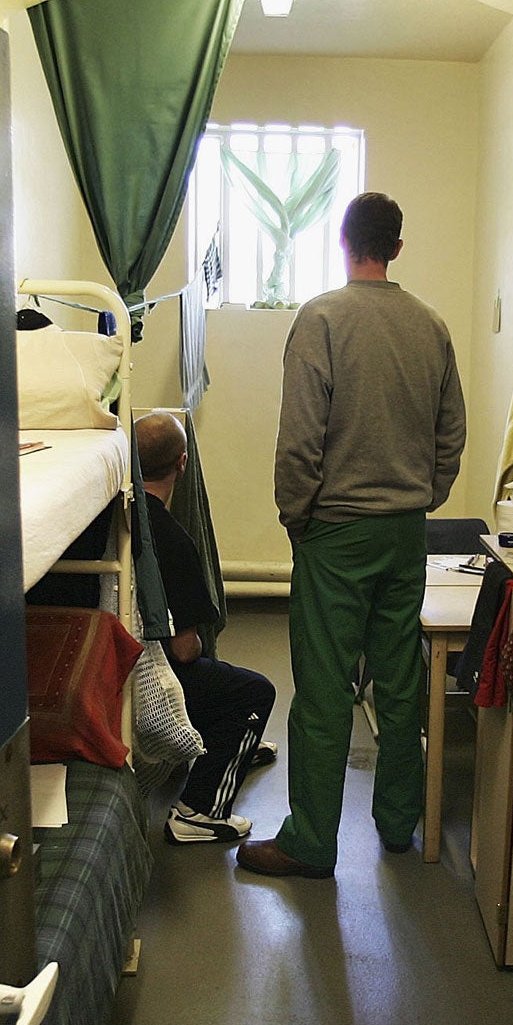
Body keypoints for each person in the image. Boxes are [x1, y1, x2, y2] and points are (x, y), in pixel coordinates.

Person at [238, 193, 465, 879]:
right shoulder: (431, 327)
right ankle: (399, 823)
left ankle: (311, 841)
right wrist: (424, 497)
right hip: (404, 533)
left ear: (344, 243)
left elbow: (299, 437)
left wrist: (296, 516)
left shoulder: (322, 319)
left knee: (325, 689)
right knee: (400, 682)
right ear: (396, 248)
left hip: (334, 533)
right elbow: (451, 433)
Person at [133, 410, 278, 846]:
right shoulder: (174, 539)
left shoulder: (123, 521)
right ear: (182, 463)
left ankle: (234, 748)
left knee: (221, 677)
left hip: (123, 659)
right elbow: (183, 651)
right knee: (254, 691)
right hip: (157, 675)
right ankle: (199, 812)